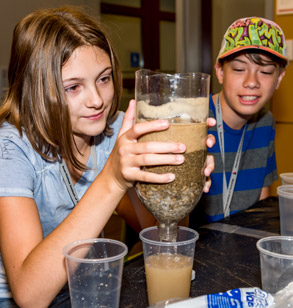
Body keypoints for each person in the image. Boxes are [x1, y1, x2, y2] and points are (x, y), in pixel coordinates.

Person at [0, 6, 215, 308]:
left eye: (103, 79)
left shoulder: (112, 132)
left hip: (87, 292)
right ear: (35, 90)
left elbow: (157, 233)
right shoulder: (11, 149)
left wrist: (176, 178)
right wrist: (113, 179)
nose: (97, 100)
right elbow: (29, 295)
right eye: (73, 87)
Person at [190, 16, 288, 228]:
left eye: (266, 72)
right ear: (220, 72)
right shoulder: (192, 119)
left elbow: (262, 208)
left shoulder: (266, 122)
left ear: (279, 78)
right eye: (238, 69)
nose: (251, 82)